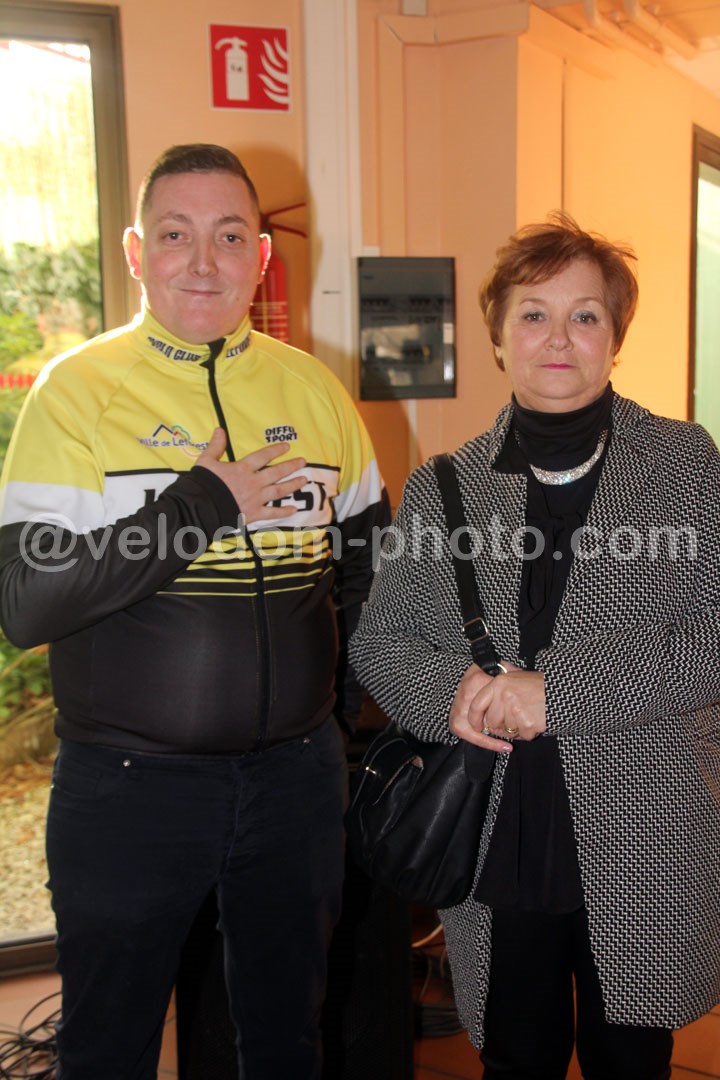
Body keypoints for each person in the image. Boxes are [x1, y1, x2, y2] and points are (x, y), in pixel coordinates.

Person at [0, 143, 389, 1080]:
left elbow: (373, 577)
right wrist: (200, 506)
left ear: (262, 257)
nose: (204, 262)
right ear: (138, 253)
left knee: (287, 1040)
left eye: (230, 236)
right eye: (176, 236)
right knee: (109, 1047)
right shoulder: (75, 392)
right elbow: (27, 600)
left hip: (295, 785)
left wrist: (341, 726)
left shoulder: (316, 390)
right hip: (129, 790)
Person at [349, 212, 720, 1080]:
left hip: (647, 822)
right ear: (498, 338)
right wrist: (453, 693)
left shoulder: (687, 466)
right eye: (533, 314)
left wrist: (557, 692)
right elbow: (382, 640)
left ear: (615, 339)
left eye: (585, 315)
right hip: (498, 829)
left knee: (633, 1059)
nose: (559, 337)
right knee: (516, 1057)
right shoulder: (443, 487)